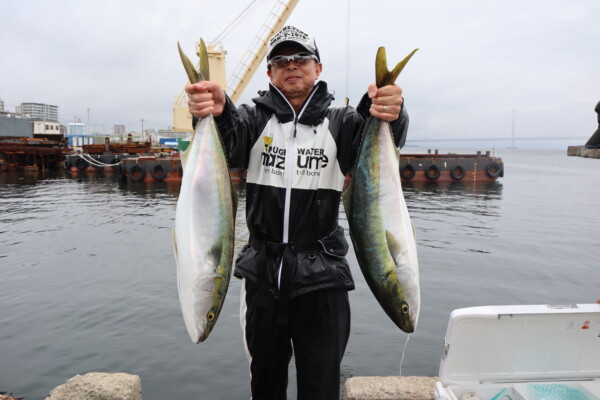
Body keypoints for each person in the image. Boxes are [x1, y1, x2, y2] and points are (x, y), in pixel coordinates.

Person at [186, 25, 409, 400]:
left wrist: (391, 112)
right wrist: (213, 111)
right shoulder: (253, 120)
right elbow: (228, 137)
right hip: (263, 275)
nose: (291, 65)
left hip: (323, 278)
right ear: (269, 72)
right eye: (280, 60)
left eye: (300, 58)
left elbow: (379, 140)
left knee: (321, 386)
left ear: (318, 67)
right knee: (265, 384)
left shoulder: (341, 122)